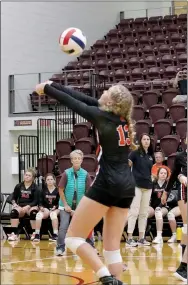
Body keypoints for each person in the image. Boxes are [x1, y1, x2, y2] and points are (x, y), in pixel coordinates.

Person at [36, 81, 136, 285]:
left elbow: (73, 104)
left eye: (108, 91)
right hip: (126, 186)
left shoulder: (102, 116)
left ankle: (106, 277)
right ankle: (116, 281)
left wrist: (46, 90)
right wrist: (53, 84)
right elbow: (82, 98)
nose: (104, 91)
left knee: (73, 239)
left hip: (108, 183)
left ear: (112, 100)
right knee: (112, 249)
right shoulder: (120, 118)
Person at [56, 149, 93, 256]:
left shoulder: (85, 174)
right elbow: (60, 190)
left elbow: (89, 192)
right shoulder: (66, 173)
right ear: (71, 161)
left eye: (78, 158)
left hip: (80, 207)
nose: (76, 160)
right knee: (64, 226)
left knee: (86, 225)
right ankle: (60, 247)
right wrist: (66, 205)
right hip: (65, 206)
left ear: (81, 160)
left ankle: (90, 246)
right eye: (74, 158)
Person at [161, 137, 187, 282]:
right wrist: (166, 191)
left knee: (187, 230)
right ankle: (183, 268)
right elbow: (174, 176)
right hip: (184, 194)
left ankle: (184, 267)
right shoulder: (181, 157)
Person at [126, 133, 154, 247]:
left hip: (148, 187)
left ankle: (141, 238)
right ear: (140, 141)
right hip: (136, 186)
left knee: (143, 213)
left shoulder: (150, 156)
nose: (146, 141)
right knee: (134, 212)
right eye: (144, 139)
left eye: (148, 139)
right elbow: (127, 165)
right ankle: (129, 238)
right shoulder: (135, 153)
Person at [148, 167, 179, 244]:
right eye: (161, 173)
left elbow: (168, 198)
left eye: (165, 173)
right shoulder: (153, 184)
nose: (163, 175)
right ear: (158, 174)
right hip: (153, 206)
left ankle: (159, 236)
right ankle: (142, 237)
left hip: (164, 207)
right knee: (144, 213)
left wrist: (159, 206)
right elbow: (148, 196)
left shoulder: (168, 185)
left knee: (158, 212)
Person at [8, 168, 39, 241]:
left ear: (33, 178)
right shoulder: (19, 186)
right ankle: (14, 234)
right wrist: (14, 203)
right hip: (21, 206)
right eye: (26, 175)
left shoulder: (35, 187)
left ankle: (34, 234)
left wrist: (28, 206)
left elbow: (36, 201)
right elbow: (13, 197)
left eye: (29, 175)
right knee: (13, 212)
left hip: (31, 206)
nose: (27, 176)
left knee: (33, 212)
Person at [33, 173, 60, 242]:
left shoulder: (58, 190)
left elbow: (61, 202)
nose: (50, 181)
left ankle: (55, 234)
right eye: (48, 179)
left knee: (53, 214)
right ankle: (37, 234)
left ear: (54, 180)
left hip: (56, 209)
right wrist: (41, 207)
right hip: (46, 208)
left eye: (51, 179)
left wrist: (56, 207)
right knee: (38, 215)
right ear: (45, 181)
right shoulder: (43, 190)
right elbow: (40, 201)